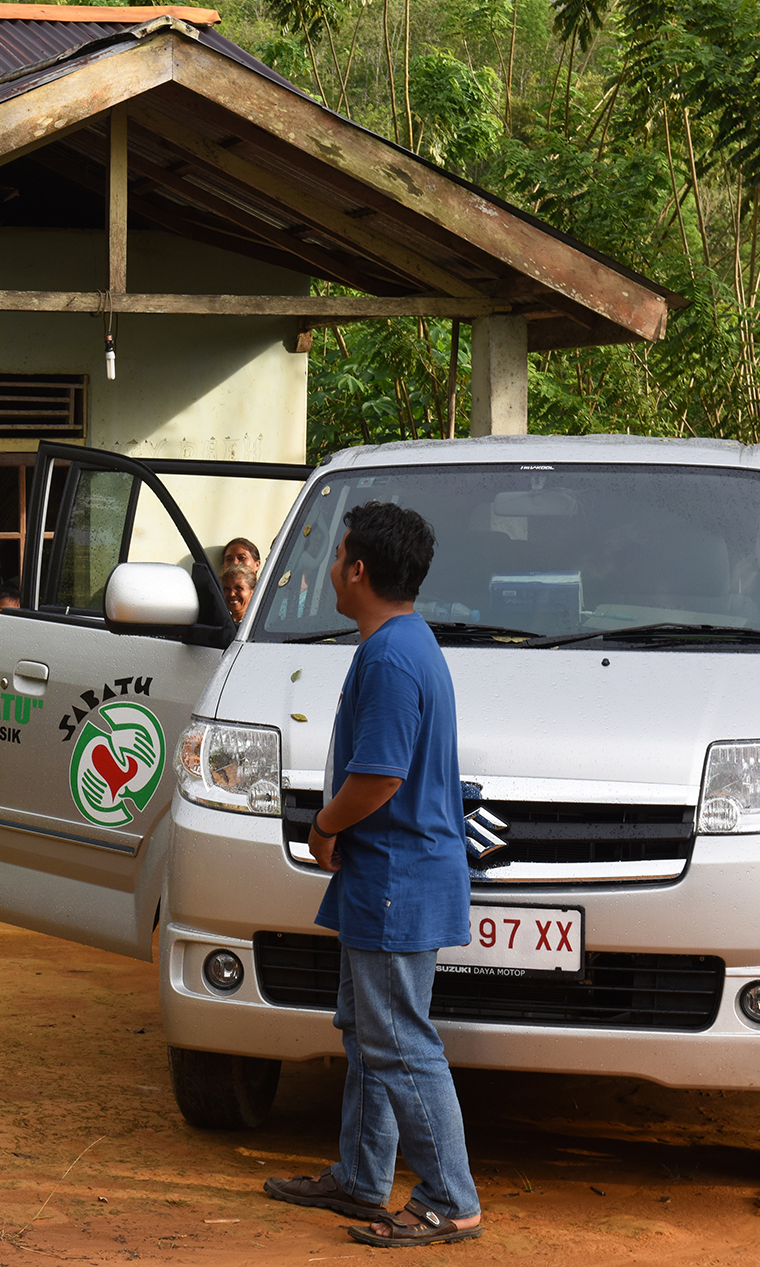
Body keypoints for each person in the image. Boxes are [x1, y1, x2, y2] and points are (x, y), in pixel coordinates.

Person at [263, 501, 481, 1247]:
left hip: (395, 877)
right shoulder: (405, 642)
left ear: (358, 569)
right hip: (391, 875)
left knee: (397, 1039)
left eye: (337, 555)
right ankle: (362, 1176)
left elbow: (380, 776)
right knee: (368, 1029)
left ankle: (450, 1196)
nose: (330, 568)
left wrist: (324, 825)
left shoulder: (390, 654)